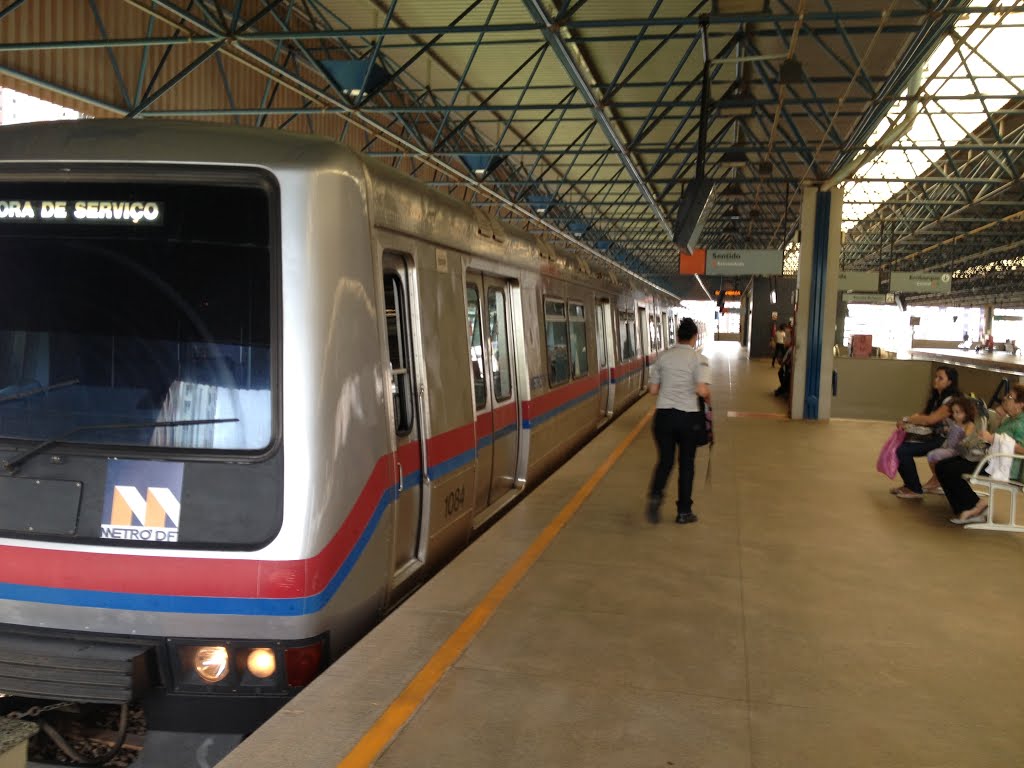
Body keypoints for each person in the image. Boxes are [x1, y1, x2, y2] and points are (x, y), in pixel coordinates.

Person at [645, 317, 710, 525]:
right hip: (688, 418)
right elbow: (702, 390)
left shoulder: (663, 357)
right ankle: (684, 512)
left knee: (665, 460)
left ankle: (655, 496)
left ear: (677, 336)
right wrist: (708, 401)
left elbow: (653, 390)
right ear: (694, 337)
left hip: (663, 417)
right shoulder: (699, 359)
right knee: (687, 465)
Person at [936, 384, 1024, 524]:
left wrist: (994, 438)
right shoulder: (1011, 419)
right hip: (992, 458)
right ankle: (968, 506)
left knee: (951, 469)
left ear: (1020, 404)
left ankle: (975, 506)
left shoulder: (1021, 423)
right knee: (942, 465)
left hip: (1005, 466)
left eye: (1010, 397)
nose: (1005, 399)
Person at [891, 365, 961, 499]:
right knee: (900, 447)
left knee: (902, 450)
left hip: (947, 441)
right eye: (936, 377)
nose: (936, 380)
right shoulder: (937, 397)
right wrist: (907, 421)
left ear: (950, 382)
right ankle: (910, 485)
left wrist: (908, 419)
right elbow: (923, 414)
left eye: (940, 378)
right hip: (935, 437)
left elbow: (930, 420)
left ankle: (914, 489)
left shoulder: (952, 401)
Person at [920, 396, 975, 493]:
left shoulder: (969, 425)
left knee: (934, 455)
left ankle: (937, 478)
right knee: (931, 455)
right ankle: (937, 477)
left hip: (958, 451)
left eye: (958, 412)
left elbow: (968, 439)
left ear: (966, 412)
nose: (955, 415)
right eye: (954, 412)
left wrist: (963, 435)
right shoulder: (955, 422)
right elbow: (949, 432)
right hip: (950, 448)